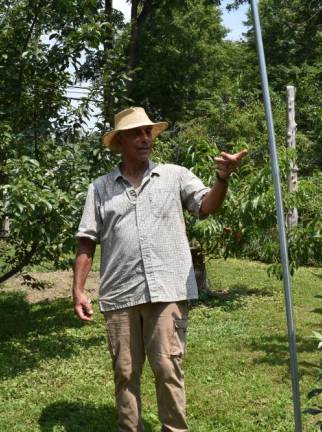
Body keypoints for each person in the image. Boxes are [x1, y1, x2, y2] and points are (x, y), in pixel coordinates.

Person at [72, 107, 247, 432]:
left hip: (168, 291)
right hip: (120, 295)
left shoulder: (174, 175)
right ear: (120, 141)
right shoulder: (100, 188)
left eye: (148, 132)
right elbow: (87, 240)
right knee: (125, 374)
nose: (144, 138)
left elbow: (206, 206)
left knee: (168, 368)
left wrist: (222, 178)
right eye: (136, 133)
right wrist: (78, 289)